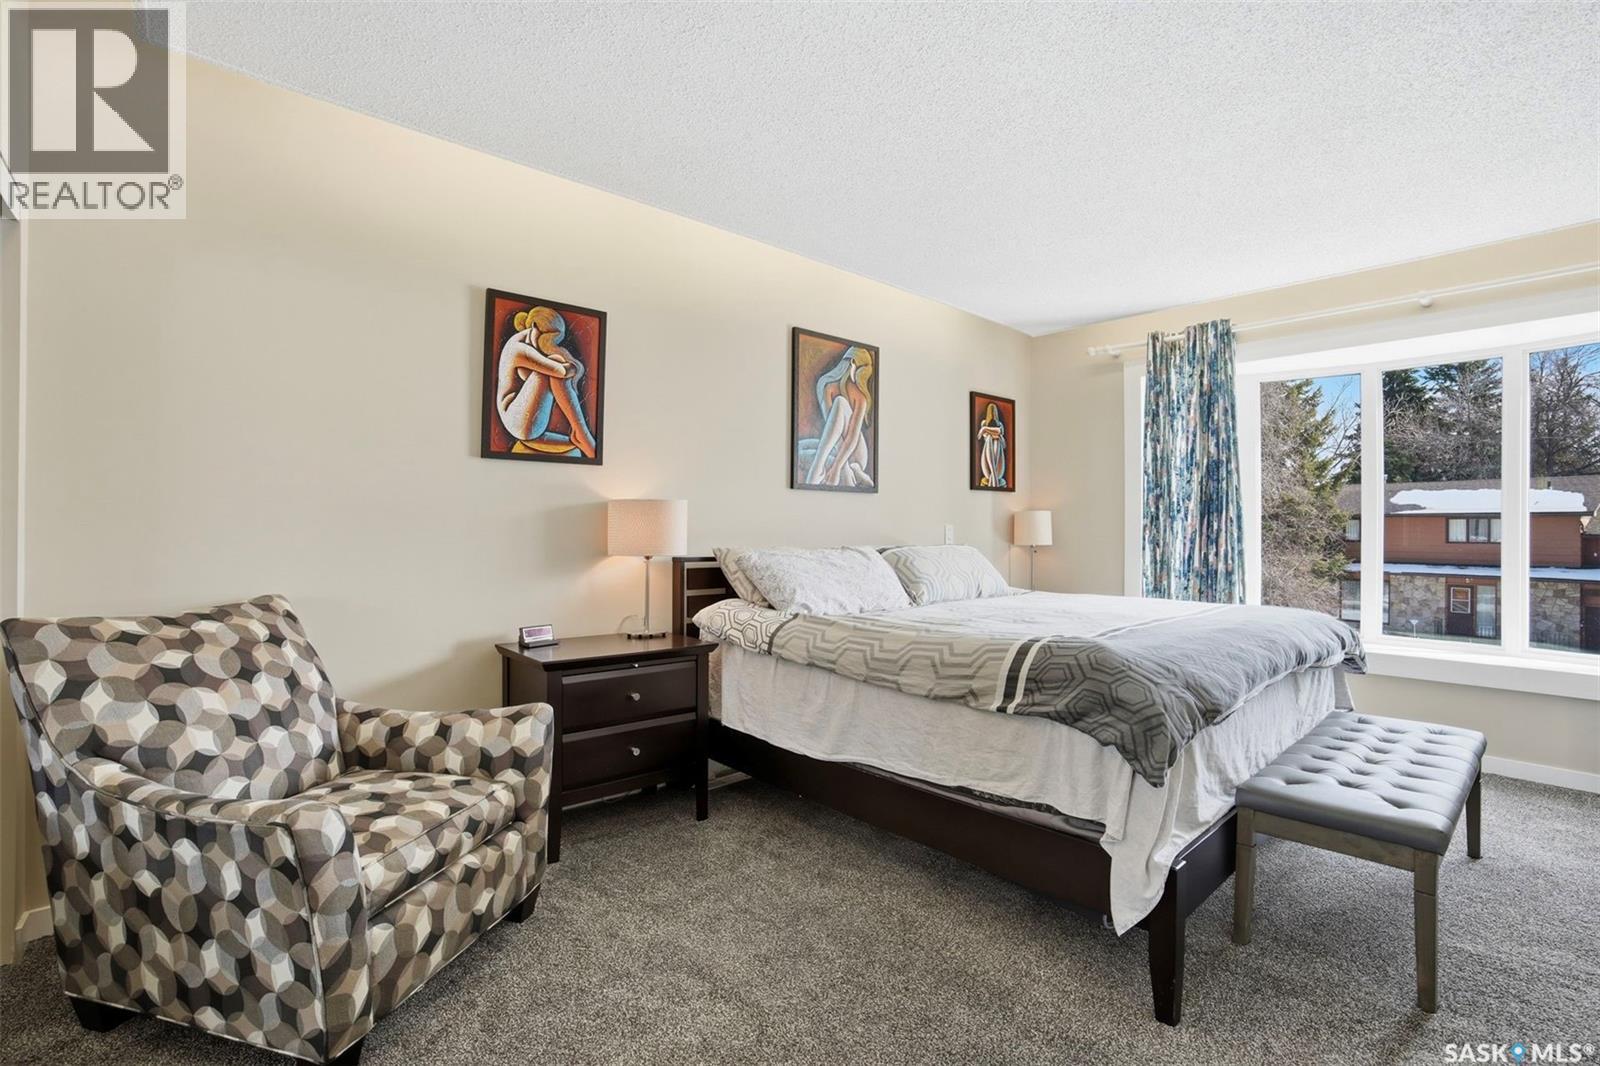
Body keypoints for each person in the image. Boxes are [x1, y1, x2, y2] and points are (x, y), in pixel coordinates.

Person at [495, 307, 597, 458]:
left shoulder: (527, 343)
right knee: (554, 363)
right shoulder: (517, 349)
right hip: (515, 421)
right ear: (534, 327)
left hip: (528, 422)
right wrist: (572, 366)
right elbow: (559, 371)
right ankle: (581, 433)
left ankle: (580, 433)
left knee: (553, 366)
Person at [799, 346, 874, 488]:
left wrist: (837, 468)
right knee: (799, 449)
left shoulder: (860, 397)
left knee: (840, 402)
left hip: (856, 452)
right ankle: (855, 473)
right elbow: (832, 431)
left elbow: (852, 437)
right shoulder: (829, 387)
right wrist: (841, 466)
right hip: (836, 446)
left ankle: (819, 469)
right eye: (860, 372)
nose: (859, 379)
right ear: (852, 363)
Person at [977, 401, 1007, 488]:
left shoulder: (999, 425)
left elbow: (999, 432)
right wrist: (987, 430)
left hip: (999, 466)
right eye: (991, 411)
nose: (993, 413)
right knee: (990, 438)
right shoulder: (983, 423)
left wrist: (985, 429)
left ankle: (994, 473)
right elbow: (995, 433)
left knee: (996, 439)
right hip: (987, 464)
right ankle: (993, 473)